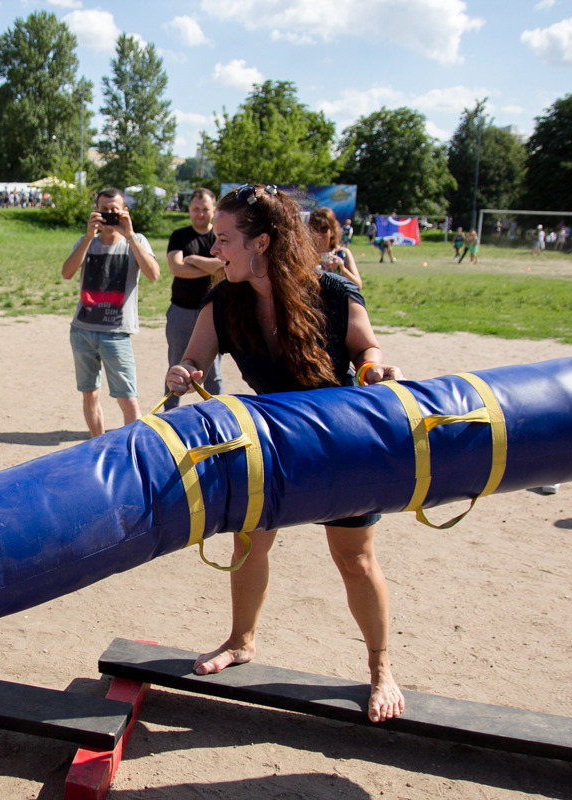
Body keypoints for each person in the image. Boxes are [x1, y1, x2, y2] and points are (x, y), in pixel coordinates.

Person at [164, 183, 405, 724]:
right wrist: (184, 373)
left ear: (263, 242)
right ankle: (241, 641)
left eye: (224, 239)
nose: (214, 248)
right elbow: (194, 358)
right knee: (247, 543)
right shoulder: (224, 298)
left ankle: (380, 666)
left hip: (340, 440)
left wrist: (373, 369)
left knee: (355, 559)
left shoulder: (332, 291)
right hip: (271, 440)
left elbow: (366, 348)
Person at [62, 187, 161, 437]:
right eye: (103, 210)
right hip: (82, 330)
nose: (108, 215)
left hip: (116, 333)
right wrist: (87, 237)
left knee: (128, 401)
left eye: (114, 210)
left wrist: (130, 236)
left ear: (124, 211)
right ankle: (98, 447)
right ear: (96, 211)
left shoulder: (135, 241)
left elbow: (153, 274)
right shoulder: (87, 241)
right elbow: (67, 273)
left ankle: (131, 454)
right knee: (90, 396)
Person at [162, 187, 222, 411]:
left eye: (205, 209)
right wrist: (212, 267)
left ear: (213, 210)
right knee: (176, 368)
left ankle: (219, 414)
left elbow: (225, 267)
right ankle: (169, 417)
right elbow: (176, 268)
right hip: (181, 311)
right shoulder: (180, 235)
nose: (200, 214)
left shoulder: (219, 236)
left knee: (213, 371)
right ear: (189, 209)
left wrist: (194, 259)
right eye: (196, 209)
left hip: (214, 311)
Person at [308, 207, 363, 289]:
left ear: (332, 231)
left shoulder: (343, 253)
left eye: (324, 229)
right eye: (315, 229)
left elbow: (358, 286)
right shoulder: (305, 254)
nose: (319, 234)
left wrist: (343, 270)